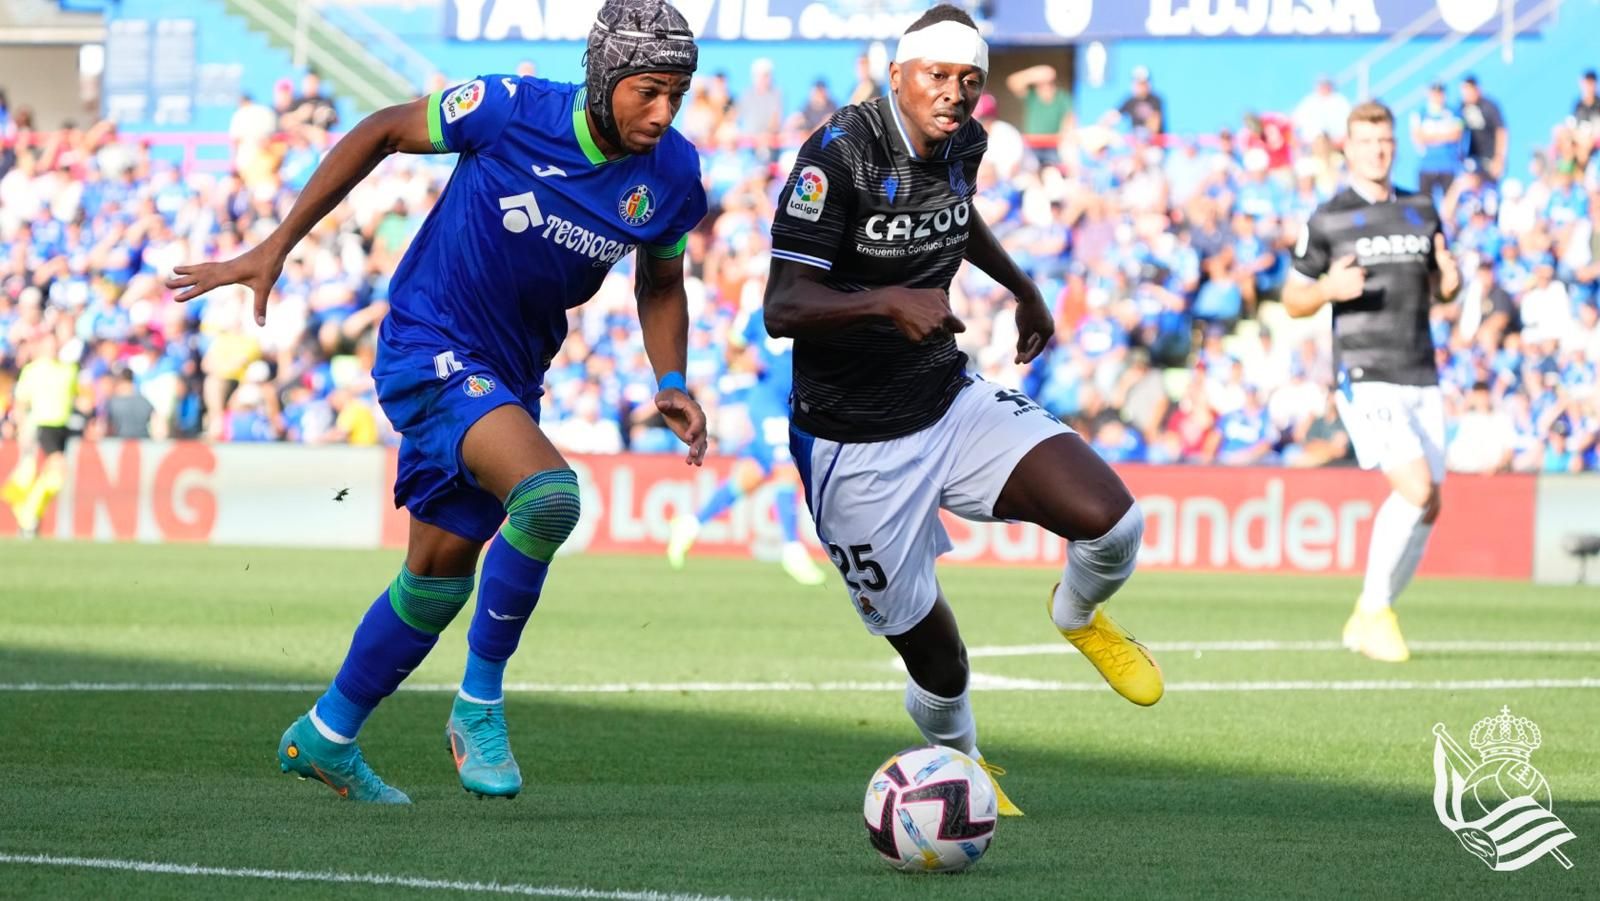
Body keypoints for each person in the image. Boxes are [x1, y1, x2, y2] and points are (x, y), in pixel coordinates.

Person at [166, 0, 710, 803]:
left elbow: (661, 281)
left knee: (437, 573)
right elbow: (384, 128)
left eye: (678, 95)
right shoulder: (510, 110)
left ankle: (325, 733)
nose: (662, 113)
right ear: (603, 78)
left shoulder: (671, 176)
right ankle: (479, 706)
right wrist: (276, 245)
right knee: (549, 496)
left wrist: (670, 379)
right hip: (430, 343)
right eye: (648, 91)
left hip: (512, 374)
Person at [763, 5, 1162, 818]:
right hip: (851, 442)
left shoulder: (966, 142)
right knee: (939, 666)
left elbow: (957, 215)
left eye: (970, 81)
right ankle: (964, 764)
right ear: (900, 75)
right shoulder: (836, 157)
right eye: (939, 77)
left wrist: (1021, 285)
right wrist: (886, 303)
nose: (955, 95)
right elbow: (783, 303)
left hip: (947, 397)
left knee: (1113, 522)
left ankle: (1076, 612)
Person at [1282, 100, 1461, 663]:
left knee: (1429, 505)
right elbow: (1292, 299)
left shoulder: (1421, 208)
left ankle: (1370, 613)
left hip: (1420, 370)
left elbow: (1439, 285)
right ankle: (1376, 610)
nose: (1376, 150)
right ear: (1348, 147)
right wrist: (1327, 291)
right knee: (1417, 490)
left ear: (1395, 144)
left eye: (1384, 140)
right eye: (1365, 141)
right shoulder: (1328, 217)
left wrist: (1452, 284)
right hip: (1365, 371)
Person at [666, 300, 826, 586]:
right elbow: (732, 346)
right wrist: (742, 363)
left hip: (794, 404)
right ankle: (792, 549)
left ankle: (690, 525)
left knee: (750, 475)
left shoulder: (816, 310)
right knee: (784, 467)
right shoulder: (760, 313)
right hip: (767, 402)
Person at [3, 332, 78, 538]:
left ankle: (24, 508)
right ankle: (28, 516)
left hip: (62, 427)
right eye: (49, 345)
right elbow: (21, 402)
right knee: (58, 470)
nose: (53, 349)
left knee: (52, 478)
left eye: (56, 345)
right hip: (42, 425)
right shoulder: (33, 370)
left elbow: (75, 398)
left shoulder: (68, 370)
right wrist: (21, 428)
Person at [1457, 75, 1507, 181]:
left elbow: (1501, 131)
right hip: (1474, 157)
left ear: (1476, 89)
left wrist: (1499, 157)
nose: (1466, 95)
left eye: (1468, 90)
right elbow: (1459, 130)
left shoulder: (1488, 106)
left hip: (1490, 156)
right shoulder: (1462, 107)